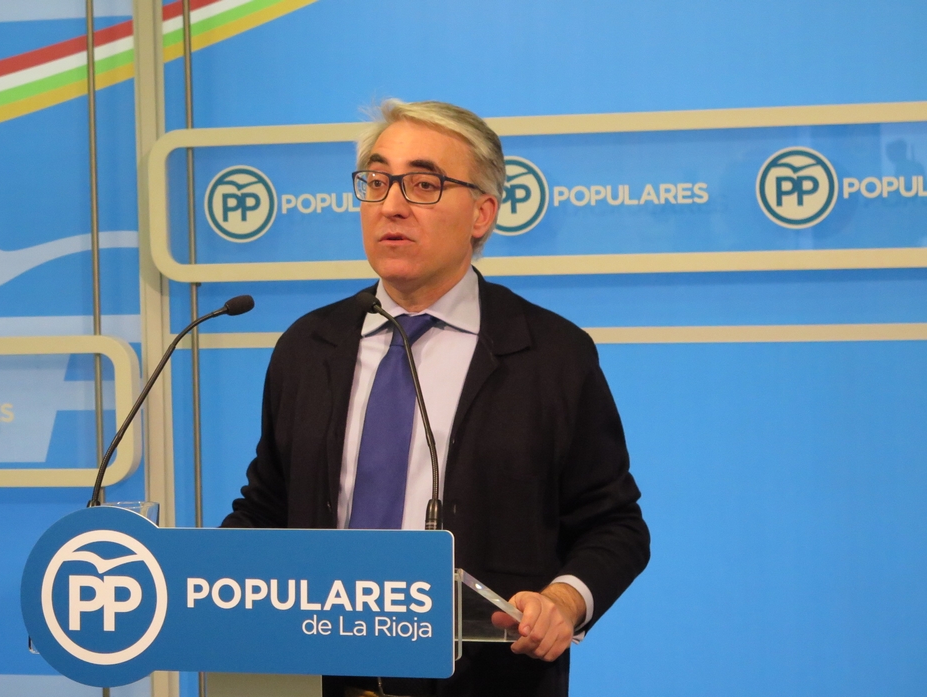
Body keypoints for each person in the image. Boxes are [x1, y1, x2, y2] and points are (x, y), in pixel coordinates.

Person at [222, 99, 650, 697]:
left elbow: (614, 524)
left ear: (482, 213)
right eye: (376, 182)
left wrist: (563, 600)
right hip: (318, 680)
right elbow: (268, 508)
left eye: (423, 185)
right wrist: (201, 582)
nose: (391, 204)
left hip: (486, 682)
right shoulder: (308, 346)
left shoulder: (551, 354)